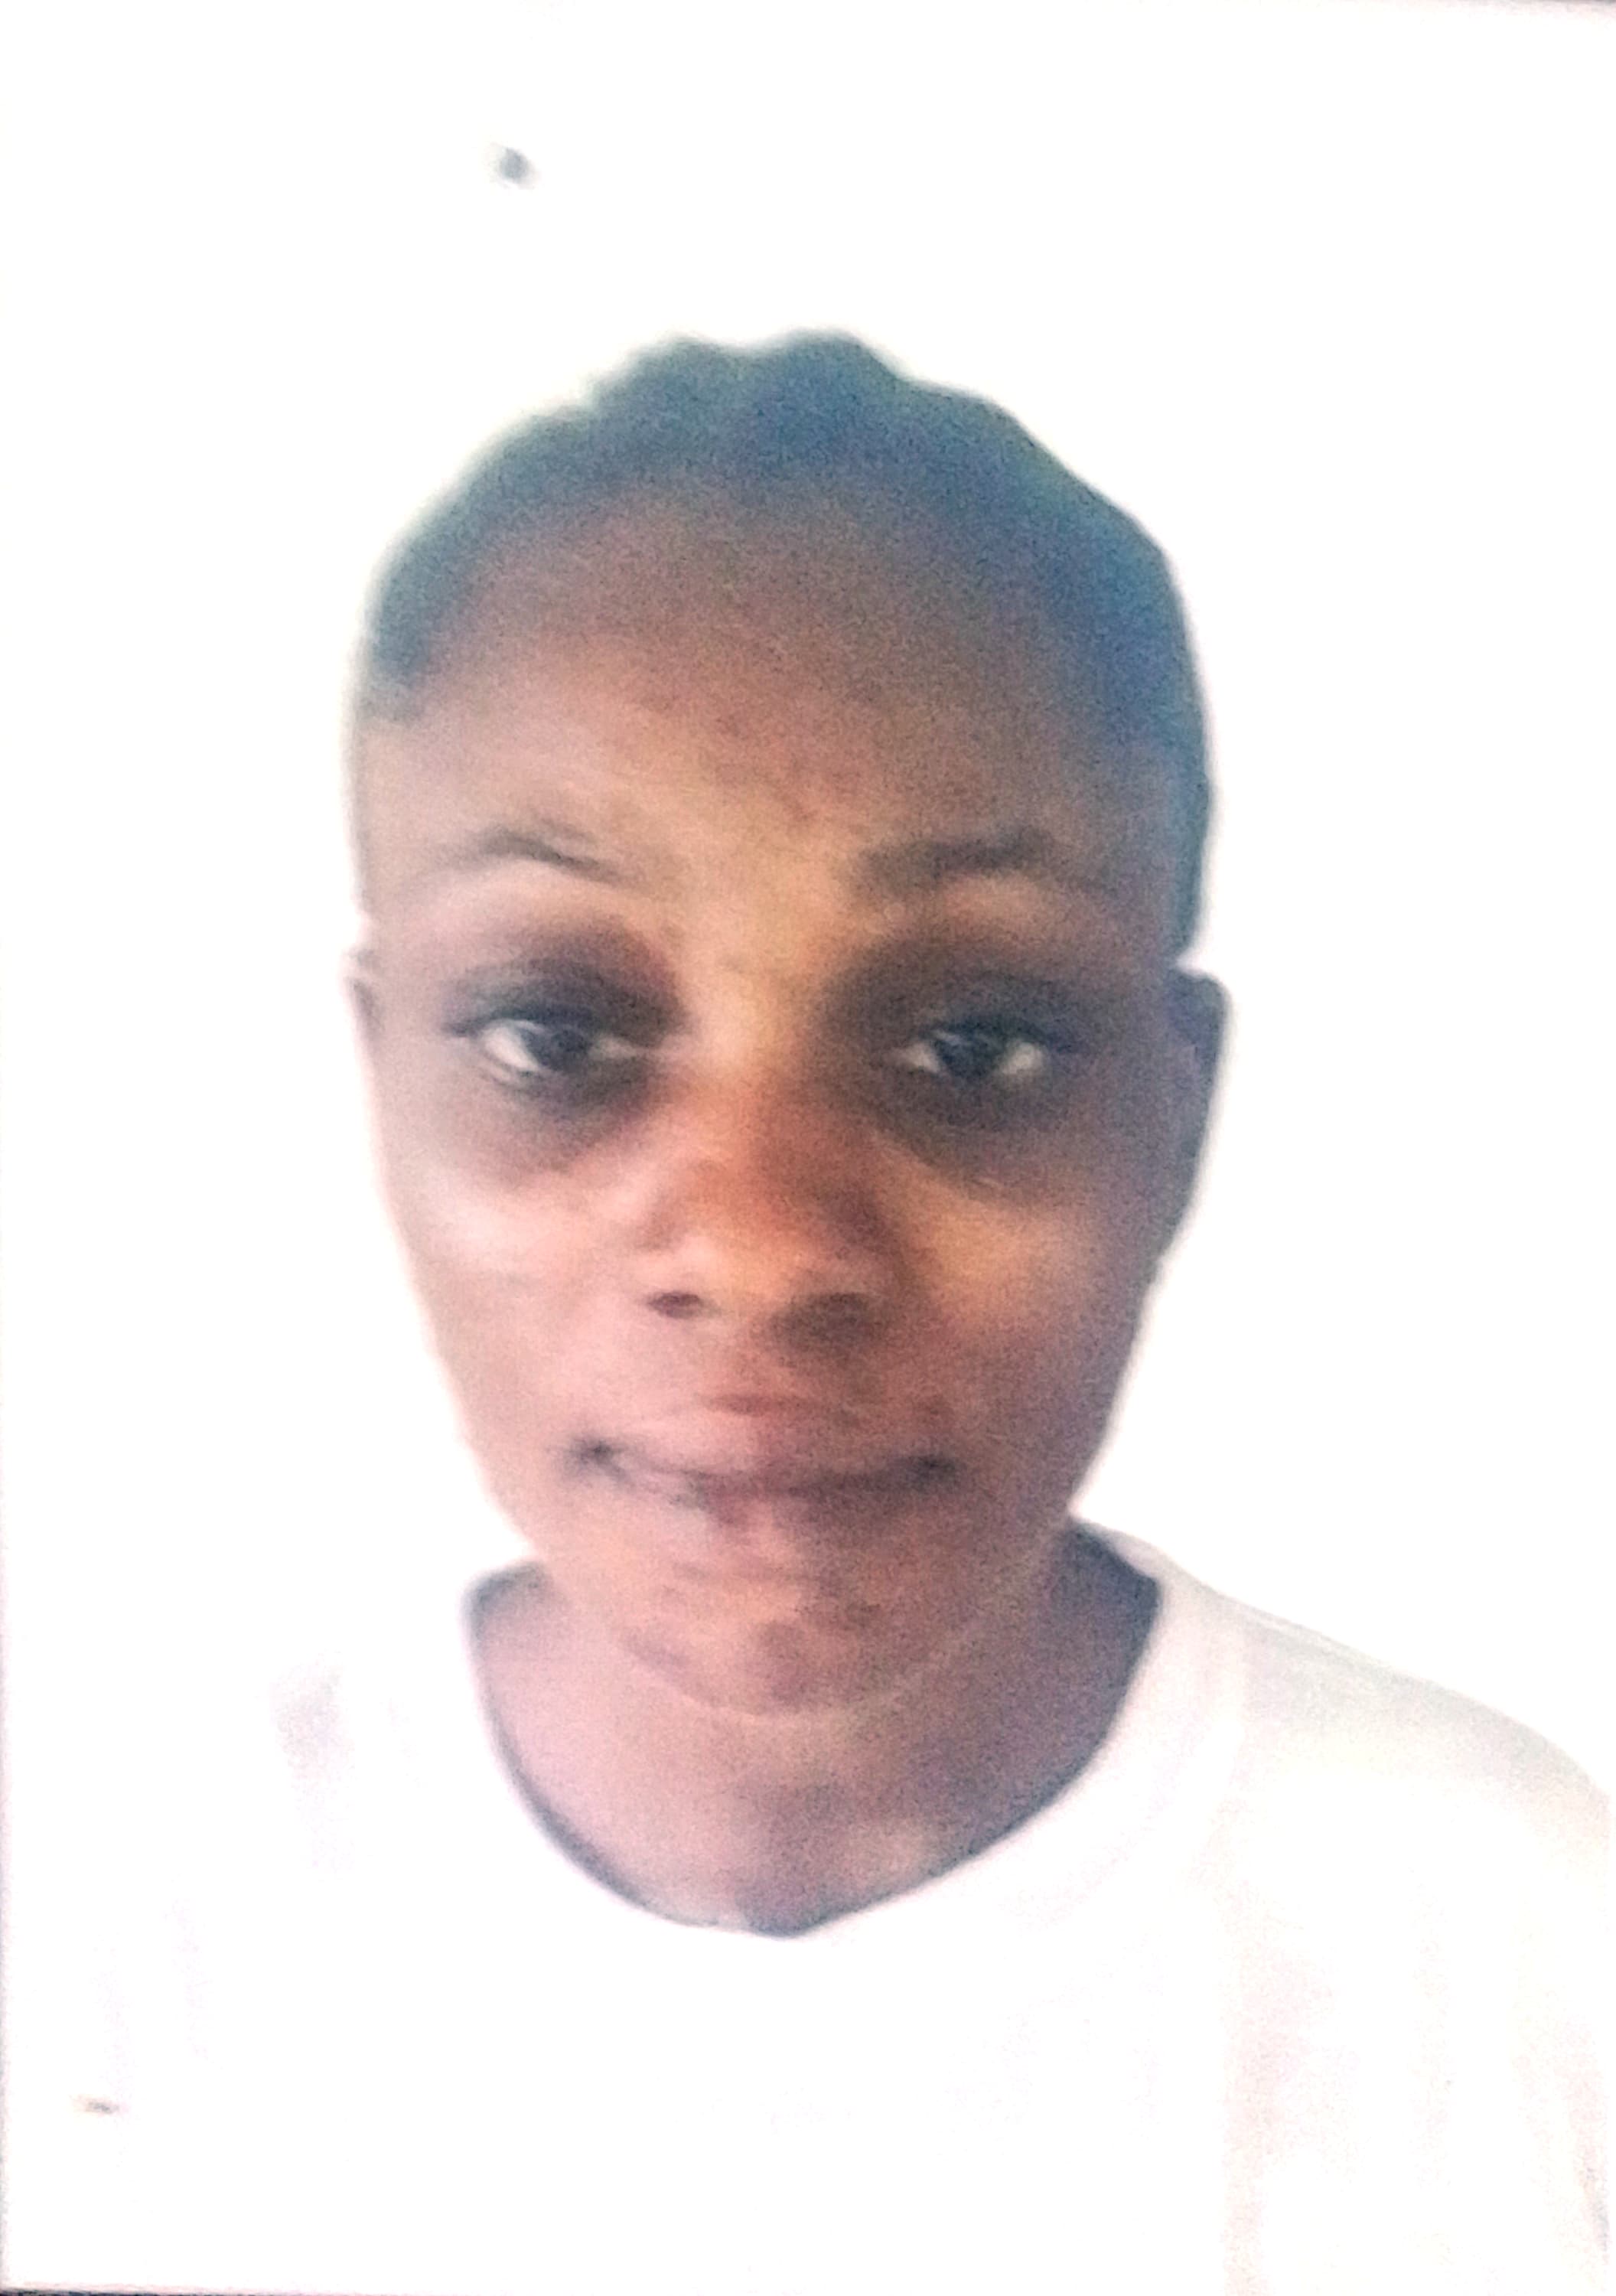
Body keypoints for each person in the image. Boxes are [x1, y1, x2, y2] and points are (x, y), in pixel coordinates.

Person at [6, 336, 1601, 2295]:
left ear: (1173, 1121)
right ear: (385, 1077)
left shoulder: (1517, 1950)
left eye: (975, 1042)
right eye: (555, 1034)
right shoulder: (111, 1940)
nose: (760, 1250)